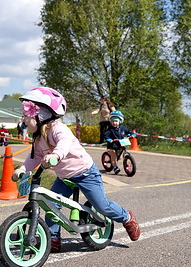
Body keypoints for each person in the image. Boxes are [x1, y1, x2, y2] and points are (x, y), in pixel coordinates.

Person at [12, 87, 140, 253]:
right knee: (51, 206)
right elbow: (34, 158)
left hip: (86, 173)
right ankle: (53, 238)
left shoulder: (59, 129)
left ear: (41, 115)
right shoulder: (38, 138)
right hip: (65, 177)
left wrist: (56, 155)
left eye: (26, 117)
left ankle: (127, 217)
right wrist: (23, 168)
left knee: (102, 206)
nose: (24, 121)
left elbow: (63, 144)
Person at [104, 110, 136, 175]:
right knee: (113, 156)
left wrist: (132, 134)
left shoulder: (122, 128)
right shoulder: (110, 129)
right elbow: (106, 134)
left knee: (120, 157)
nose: (114, 123)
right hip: (111, 145)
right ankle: (115, 167)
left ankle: (115, 162)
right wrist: (109, 139)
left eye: (116, 121)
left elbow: (129, 131)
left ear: (120, 121)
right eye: (112, 121)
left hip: (119, 145)